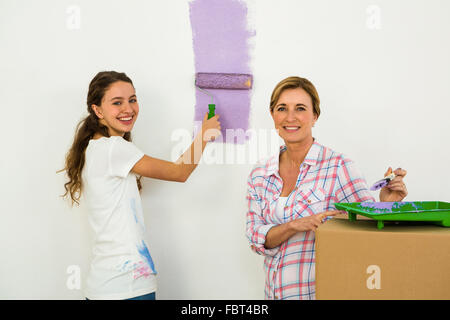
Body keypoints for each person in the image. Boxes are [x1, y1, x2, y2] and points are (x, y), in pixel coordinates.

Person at [60, 71, 221, 300]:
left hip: (104, 287)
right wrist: (204, 135)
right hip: (126, 287)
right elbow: (179, 172)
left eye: (132, 100)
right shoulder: (113, 148)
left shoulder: (94, 148)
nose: (128, 109)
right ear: (97, 110)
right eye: (117, 103)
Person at [245, 76, 407, 300]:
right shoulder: (260, 174)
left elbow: (366, 226)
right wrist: (293, 226)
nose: (290, 117)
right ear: (273, 115)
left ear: (315, 116)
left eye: (300, 108)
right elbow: (256, 237)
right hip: (273, 295)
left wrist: (385, 203)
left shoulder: (338, 166)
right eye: (282, 108)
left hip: (319, 294)